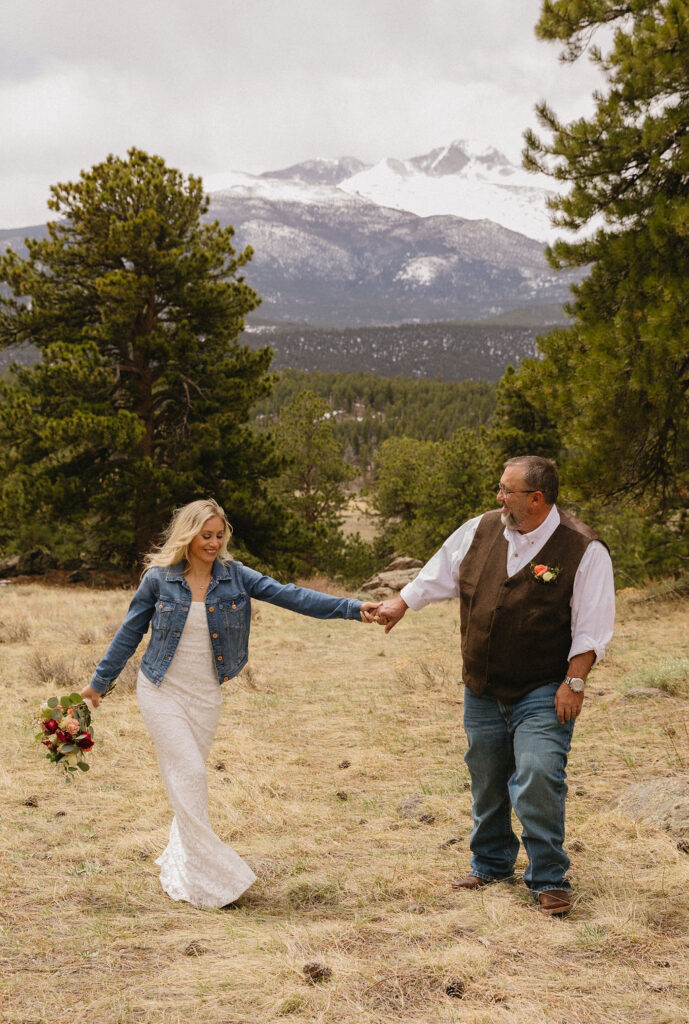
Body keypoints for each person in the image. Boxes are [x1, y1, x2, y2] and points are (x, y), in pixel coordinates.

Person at [81, 498, 380, 910]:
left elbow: (292, 596)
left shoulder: (235, 576)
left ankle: (184, 862)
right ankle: (215, 877)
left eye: (220, 535)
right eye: (206, 535)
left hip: (206, 695)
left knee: (187, 780)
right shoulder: (158, 580)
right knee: (189, 772)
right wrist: (98, 684)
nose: (214, 543)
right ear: (188, 535)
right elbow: (129, 633)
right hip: (161, 689)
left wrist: (350, 608)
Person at [374, 456, 615, 915]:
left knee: (539, 775)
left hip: (545, 688)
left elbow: (592, 626)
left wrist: (575, 682)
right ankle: (490, 864)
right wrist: (401, 604)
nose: (498, 498)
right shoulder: (482, 529)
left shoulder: (584, 549)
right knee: (486, 777)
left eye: (506, 491)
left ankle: (547, 876)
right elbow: (439, 572)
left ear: (536, 498)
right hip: (482, 686)